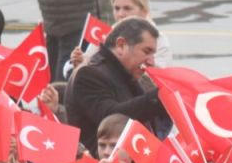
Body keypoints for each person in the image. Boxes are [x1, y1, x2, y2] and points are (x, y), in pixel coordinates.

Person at [64, 17, 166, 155]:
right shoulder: (89, 74)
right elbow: (112, 118)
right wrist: (160, 96)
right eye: (146, 52)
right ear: (121, 45)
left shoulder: (130, 74)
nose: (151, 62)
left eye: (153, 54)